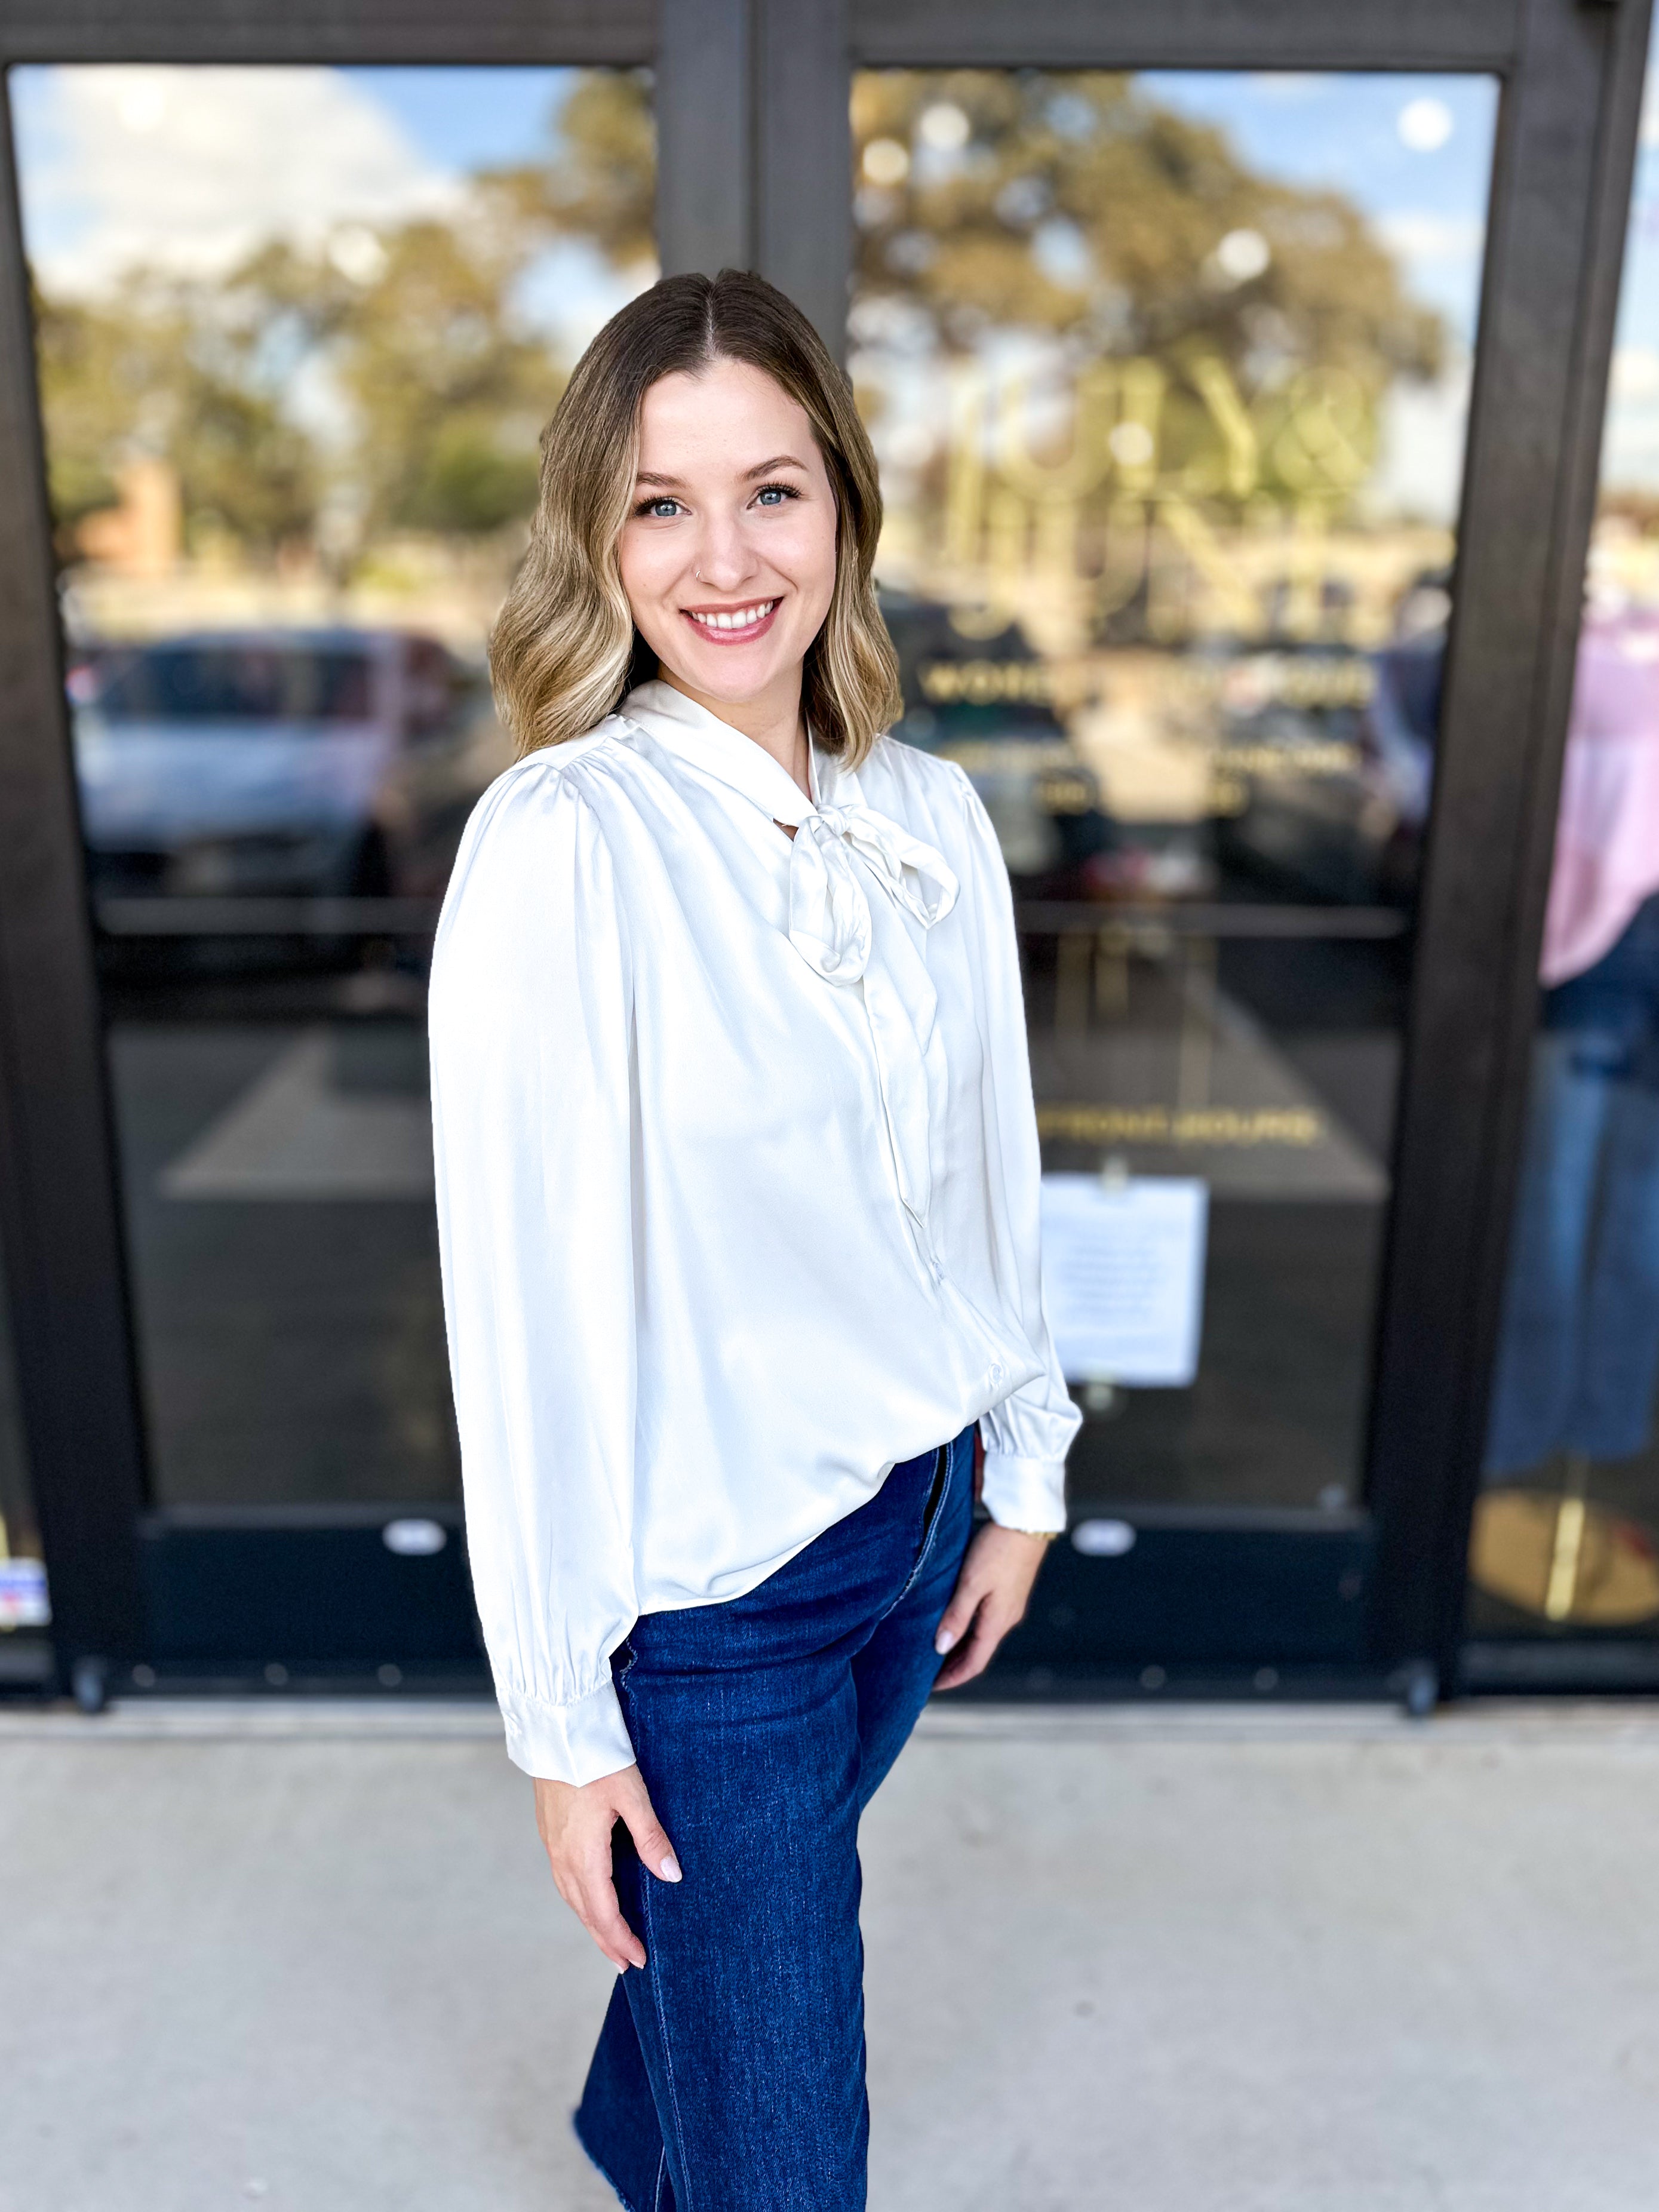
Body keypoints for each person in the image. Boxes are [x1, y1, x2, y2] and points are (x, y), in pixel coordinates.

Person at [428, 268, 1080, 2212]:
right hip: (718, 1605)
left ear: (844, 513)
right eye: (660, 503)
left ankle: (644, 2134)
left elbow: (992, 1170)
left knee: (723, 1988)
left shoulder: (932, 815)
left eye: (772, 491)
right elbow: (521, 1314)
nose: (725, 557)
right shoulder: (569, 841)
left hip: (918, 1525)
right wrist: (559, 1719)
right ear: (598, 539)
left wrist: (1021, 1472)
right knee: (793, 2155)